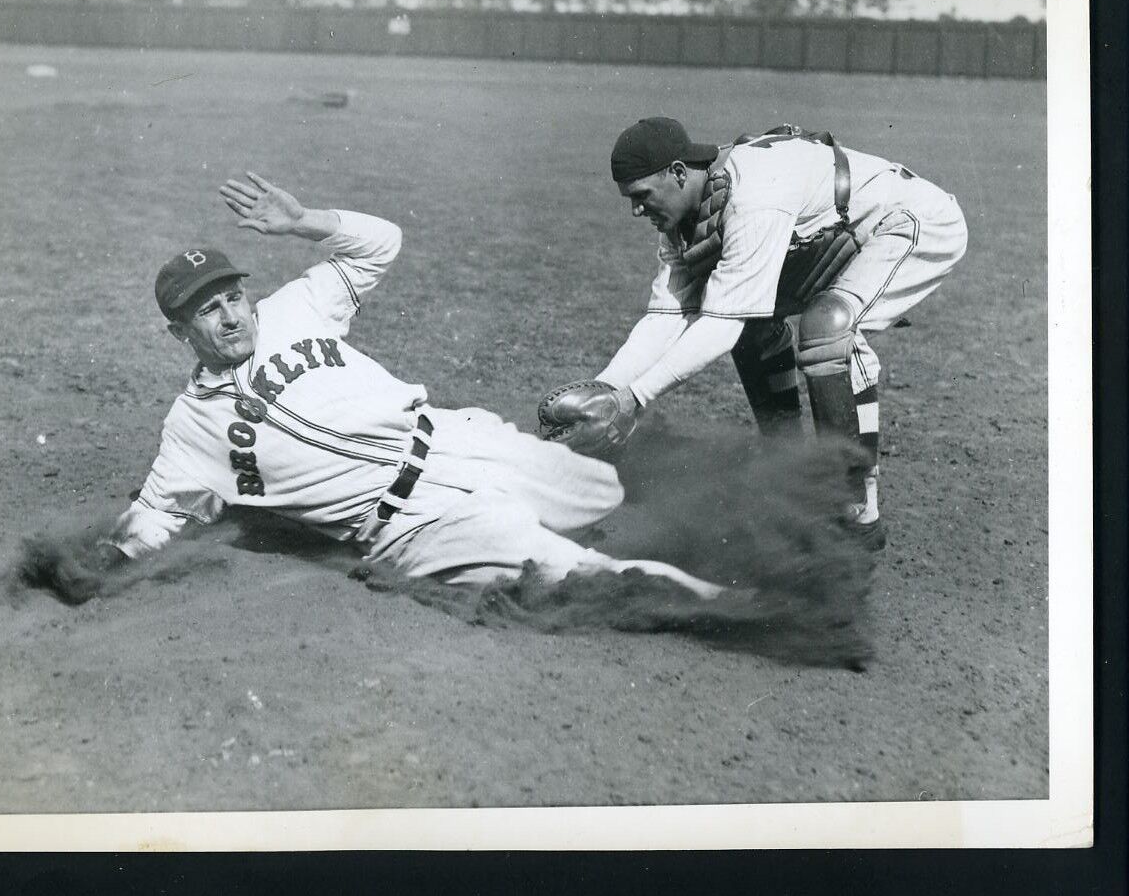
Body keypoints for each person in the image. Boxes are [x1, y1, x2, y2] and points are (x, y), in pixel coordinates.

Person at [61, 173, 723, 602]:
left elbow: (381, 243)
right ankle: (757, 610)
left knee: (619, 488)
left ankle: (764, 519)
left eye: (234, 295)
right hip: (416, 524)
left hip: (461, 443)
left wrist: (303, 223)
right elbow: (157, 515)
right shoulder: (188, 431)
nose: (233, 315)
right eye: (209, 310)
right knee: (585, 577)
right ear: (179, 332)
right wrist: (108, 554)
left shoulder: (296, 307)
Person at [549, 118, 967, 549]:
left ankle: (855, 507)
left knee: (830, 328)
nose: (636, 210)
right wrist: (604, 389)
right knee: (750, 315)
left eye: (641, 197)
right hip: (839, 234)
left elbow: (719, 328)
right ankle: (788, 469)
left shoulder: (753, 197)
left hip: (913, 221)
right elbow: (664, 317)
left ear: (677, 173)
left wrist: (632, 400)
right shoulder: (686, 218)